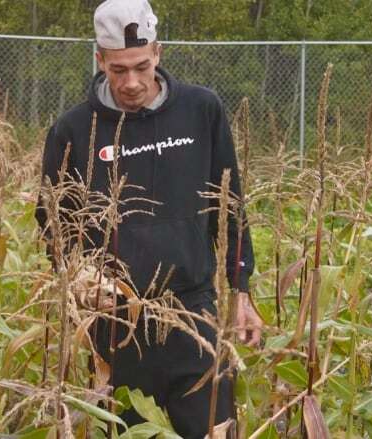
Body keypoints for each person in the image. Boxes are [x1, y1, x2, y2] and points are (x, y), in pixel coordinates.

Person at [35, 0, 263, 437]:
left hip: (194, 313)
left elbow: (230, 205)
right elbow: (54, 222)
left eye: (141, 66)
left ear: (158, 52)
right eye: (119, 70)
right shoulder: (73, 130)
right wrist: (80, 277)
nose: (133, 82)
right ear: (99, 60)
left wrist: (241, 289)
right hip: (118, 323)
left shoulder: (201, 110)